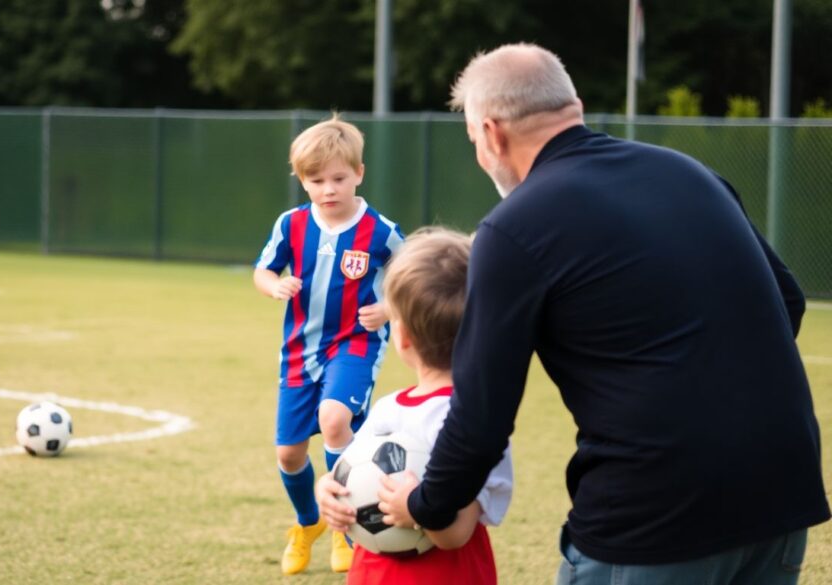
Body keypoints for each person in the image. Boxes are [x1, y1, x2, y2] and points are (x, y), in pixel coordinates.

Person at [377, 43, 830, 584]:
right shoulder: (689, 172)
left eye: (474, 137)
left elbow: (482, 414)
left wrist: (425, 503)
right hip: (783, 492)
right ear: (574, 107)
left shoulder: (513, 227)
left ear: (492, 134)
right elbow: (788, 303)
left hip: (654, 516)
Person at [316, 227, 513, 585]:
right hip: (373, 572)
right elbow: (350, 472)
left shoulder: (470, 422)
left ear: (402, 336)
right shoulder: (389, 408)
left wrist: (415, 508)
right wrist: (328, 490)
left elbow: (455, 535)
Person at [254, 113, 405, 576]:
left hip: (355, 345)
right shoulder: (292, 224)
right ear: (302, 181)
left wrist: (389, 309)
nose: (328, 189)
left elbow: (413, 279)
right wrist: (274, 286)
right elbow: (262, 271)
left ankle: (345, 527)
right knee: (289, 454)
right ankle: (308, 524)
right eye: (316, 181)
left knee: (335, 419)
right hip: (300, 352)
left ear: (359, 173)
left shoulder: (381, 231)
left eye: (338, 179)